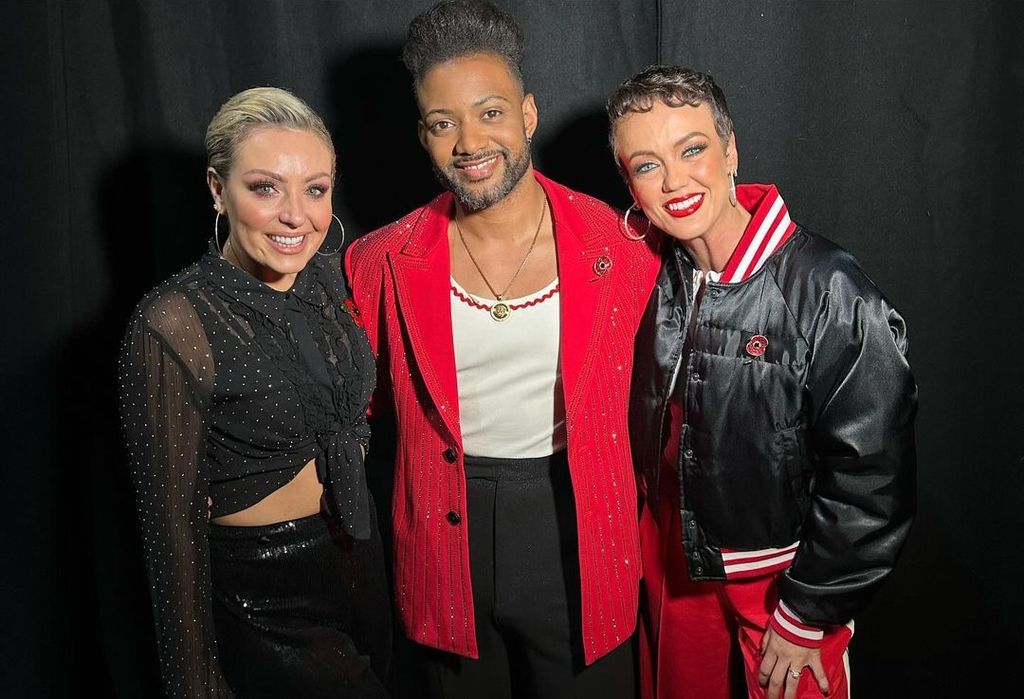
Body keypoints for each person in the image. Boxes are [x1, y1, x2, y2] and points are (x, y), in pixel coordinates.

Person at [344, 2, 659, 696]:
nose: (467, 141)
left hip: (580, 529)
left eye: (488, 113)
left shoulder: (622, 247)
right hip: (440, 540)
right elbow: (349, 417)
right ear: (421, 136)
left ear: (528, 115)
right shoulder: (378, 261)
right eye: (441, 122)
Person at [608, 66, 917, 699]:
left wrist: (809, 612)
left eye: (691, 149)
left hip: (781, 581)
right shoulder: (648, 274)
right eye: (647, 165)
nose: (674, 181)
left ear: (731, 151)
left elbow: (873, 474)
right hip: (674, 561)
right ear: (630, 184)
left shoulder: (828, 287)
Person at [119, 87, 391, 698]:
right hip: (262, 595)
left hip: (359, 560)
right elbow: (172, 535)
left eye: (315, 189)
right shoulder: (173, 323)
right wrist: (195, 683)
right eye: (266, 188)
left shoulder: (326, 280)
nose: (297, 215)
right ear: (218, 189)